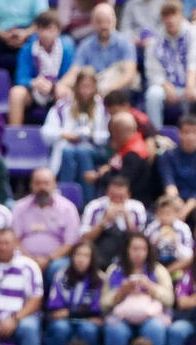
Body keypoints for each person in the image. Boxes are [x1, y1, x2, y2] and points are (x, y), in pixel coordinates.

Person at [42, 66, 109, 205]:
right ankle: (65, 201)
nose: (86, 91)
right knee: (67, 151)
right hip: (69, 147)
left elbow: (109, 135)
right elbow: (46, 132)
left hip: (97, 150)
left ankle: (87, 202)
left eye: (89, 87)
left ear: (95, 87)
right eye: (83, 86)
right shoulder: (63, 105)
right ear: (76, 86)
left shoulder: (103, 106)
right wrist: (64, 134)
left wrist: (91, 136)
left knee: (83, 150)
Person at [101, 232, 174, 345]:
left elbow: (170, 300)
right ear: (127, 250)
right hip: (120, 316)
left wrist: (151, 287)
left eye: (143, 249)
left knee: (155, 328)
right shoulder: (114, 270)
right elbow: (104, 303)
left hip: (152, 315)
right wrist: (122, 291)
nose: (139, 253)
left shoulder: (158, 269)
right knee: (115, 330)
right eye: (135, 248)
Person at [12, 168, 81, 284]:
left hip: (57, 259)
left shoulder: (68, 208)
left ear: (54, 185)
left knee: (58, 268)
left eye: (46, 183)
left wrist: (48, 259)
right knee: (16, 265)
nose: (42, 187)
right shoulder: (20, 207)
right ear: (31, 185)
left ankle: (53, 302)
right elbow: (14, 240)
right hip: (25, 257)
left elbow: (70, 243)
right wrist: (31, 259)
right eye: (38, 183)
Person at [55, 3, 137, 100]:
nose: (104, 25)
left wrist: (108, 90)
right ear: (92, 23)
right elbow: (74, 72)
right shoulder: (85, 45)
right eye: (99, 21)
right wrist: (61, 85)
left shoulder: (125, 43)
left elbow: (129, 74)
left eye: (108, 21)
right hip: (93, 93)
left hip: (116, 94)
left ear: (115, 21)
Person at [9, 11, 72, 126]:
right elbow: (20, 78)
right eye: (43, 29)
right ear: (37, 30)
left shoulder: (67, 48)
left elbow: (70, 74)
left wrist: (55, 86)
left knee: (64, 92)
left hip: (57, 88)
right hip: (34, 91)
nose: (46, 34)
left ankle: (63, 132)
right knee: (16, 93)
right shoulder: (27, 49)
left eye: (51, 29)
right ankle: (15, 134)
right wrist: (34, 82)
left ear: (58, 31)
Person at [144, 1, 196, 130]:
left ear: (181, 15)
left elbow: (193, 60)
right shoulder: (155, 42)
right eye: (166, 16)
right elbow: (153, 71)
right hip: (169, 87)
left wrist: (190, 86)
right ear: (162, 18)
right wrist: (166, 86)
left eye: (173, 14)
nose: (170, 20)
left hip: (192, 84)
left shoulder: (193, 34)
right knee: (153, 94)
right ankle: (156, 134)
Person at [44, 240, 104, 345]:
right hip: (65, 321)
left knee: (89, 330)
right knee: (61, 328)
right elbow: (55, 309)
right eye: (78, 254)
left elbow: (96, 311)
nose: (81, 259)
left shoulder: (99, 279)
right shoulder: (61, 275)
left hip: (86, 322)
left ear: (92, 259)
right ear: (72, 256)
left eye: (86, 256)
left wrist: (69, 313)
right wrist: (82, 314)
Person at [81, 176, 147, 270]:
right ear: (107, 194)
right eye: (113, 197)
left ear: (128, 195)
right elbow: (85, 239)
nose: (117, 200)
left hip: (127, 247)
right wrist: (104, 222)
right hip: (100, 248)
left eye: (121, 197)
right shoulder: (94, 206)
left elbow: (140, 241)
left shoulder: (137, 207)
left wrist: (128, 220)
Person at [88, 111, 153, 200]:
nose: (112, 136)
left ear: (118, 132)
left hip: (133, 200)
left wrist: (100, 177)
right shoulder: (130, 144)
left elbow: (121, 183)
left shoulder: (133, 154)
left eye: (112, 132)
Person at [0, 0, 46, 73]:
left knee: (37, 40)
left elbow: (43, 20)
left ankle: (28, 79)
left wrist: (25, 33)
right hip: (1, 32)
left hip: (28, 31)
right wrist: (4, 35)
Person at [146, 195, 194, 280]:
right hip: (157, 262)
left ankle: (165, 274)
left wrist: (176, 243)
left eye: (168, 213)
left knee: (190, 258)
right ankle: (159, 275)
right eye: (161, 213)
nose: (165, 217)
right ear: (157, 213)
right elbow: (146, 252)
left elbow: (188, 255)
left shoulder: (183, 228)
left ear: (175, 214)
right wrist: (156, 241)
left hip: (175, 262)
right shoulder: (151, 228)